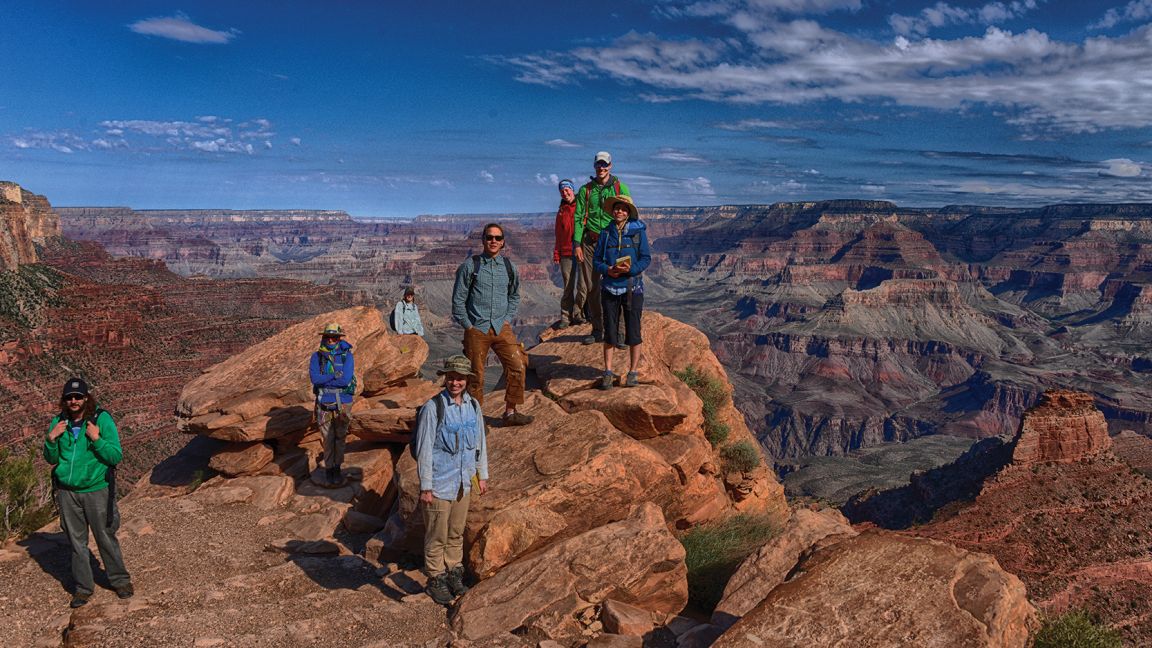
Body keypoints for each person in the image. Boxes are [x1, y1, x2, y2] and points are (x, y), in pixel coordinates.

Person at [43, 377, 133, 608]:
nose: (73, 401)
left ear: (86, 398)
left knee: (105, 536)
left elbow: (115, 456)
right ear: (64, 400)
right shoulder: (58, 422)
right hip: (67, 492)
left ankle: (120, 581)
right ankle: (83, 588)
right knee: (76, 543)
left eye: (78, 396)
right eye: (69, 397)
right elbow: (51, 458)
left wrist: (97, 439)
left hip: (96, 490)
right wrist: (51, 439)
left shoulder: (101, 419)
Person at [415, 355, 488, 606]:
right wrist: (426, 486)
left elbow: (480, 444)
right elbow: (424, 449)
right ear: (445, 378)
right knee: (436, 534)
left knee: (456, 533)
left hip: (462, 482)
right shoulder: (432, 408)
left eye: (460, 378)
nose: (455, 382)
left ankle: (454, 573)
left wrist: (482, 475)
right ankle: (435, 578)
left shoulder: (473, 406)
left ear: (467, 380)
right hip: (439, 483)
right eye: (451, 377)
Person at [450, 223, 534, 426]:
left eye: (497, 238)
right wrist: (468, 326)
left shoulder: (508, 267)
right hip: (476, 328)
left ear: (503, 242)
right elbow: (458, 300)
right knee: (475, 375)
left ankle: (510, 412)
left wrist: (507, 317)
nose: (493, 241)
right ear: (483, 240)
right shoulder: (471, 266)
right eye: (489, 237)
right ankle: (476, 421)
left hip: (501, 326)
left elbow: (514, 295)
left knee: (518, 365)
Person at [593, 195, 651, 389]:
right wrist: (606, 270)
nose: (619, 211)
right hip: (609, 287)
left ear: (629, 212)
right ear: (613, 211)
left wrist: (631, 270)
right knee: (610, 332)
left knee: (633, 332)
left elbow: (646, 258)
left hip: (632, 288)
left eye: (623, 209)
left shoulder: (638, 232)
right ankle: (608, 371)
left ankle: (633, 372)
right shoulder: (605, 233)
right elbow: (596, 261)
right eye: (617, 208)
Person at [573, 151, 630, 345]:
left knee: (618, 285)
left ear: (611, 165)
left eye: (605, 164)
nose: (601, 168)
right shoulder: (585, 190)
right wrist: (577, 243)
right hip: (590, 242)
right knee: (592, 286)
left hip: (613, 241)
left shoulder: (620, 187)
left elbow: (628, 213)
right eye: (598, 165)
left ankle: (619, 331)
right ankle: (598, 329)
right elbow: (579, 218)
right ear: (594, 166)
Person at [309, 323, 355, 486]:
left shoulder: (347, 356)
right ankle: (329, 469)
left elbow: (345, 380)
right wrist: (334, 376)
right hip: (323, 402)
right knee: (327, 439)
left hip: (343, 403)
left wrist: (327, 381)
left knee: (340, 437)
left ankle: (337, 467)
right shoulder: (317, 357)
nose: (330, 340)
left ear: (339, 338)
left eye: (334, 337)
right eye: (327, 337)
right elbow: (315, 379)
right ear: (323, 337)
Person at [552, 178, 582, 329]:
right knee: (568, 285)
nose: (565, 193)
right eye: (562, 191)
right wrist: (556, 253)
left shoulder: (581, 206)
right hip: (565, 252)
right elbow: (558, 233)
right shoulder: (561, 211)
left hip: (581, 250)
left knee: (583, 285)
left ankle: (579, 313)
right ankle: (566, 316)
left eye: (567, 189)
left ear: (572, 189)